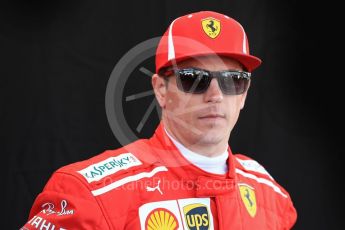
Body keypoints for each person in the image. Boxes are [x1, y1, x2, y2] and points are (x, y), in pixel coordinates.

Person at [21, 11, 297, 229]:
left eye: (233, 80)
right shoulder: (88, 195)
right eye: (194, 79)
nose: (215, 95)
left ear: (244, 94)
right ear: (161, 90)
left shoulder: (271, 195)